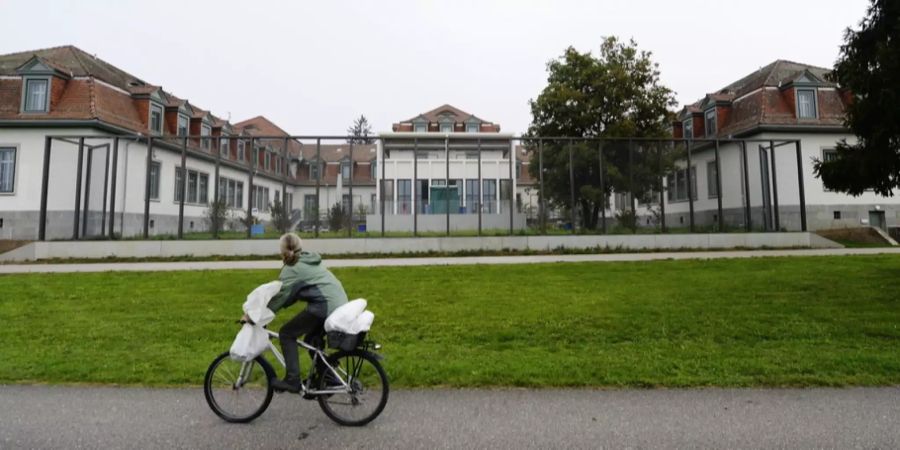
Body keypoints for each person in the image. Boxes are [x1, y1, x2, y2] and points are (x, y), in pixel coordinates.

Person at [251, 232, 348, 393]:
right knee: (312, 340)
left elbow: (280, 297)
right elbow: (293, 295)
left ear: (282, 252)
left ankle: (293, 380)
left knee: (287, 334)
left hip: (325, 307)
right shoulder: (309, 260)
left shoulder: (291, 268)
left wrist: (254, 315)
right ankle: (329, 379)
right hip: (339, 305)